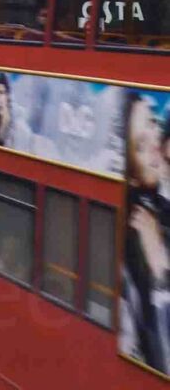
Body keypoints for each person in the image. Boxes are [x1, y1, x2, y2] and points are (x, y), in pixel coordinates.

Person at [120, 92, 170, 376]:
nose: (155, 141)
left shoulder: (162, 207)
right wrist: (160, 268)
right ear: (133, 177)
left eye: (152, 123)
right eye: (140, 145)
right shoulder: (137, 240)